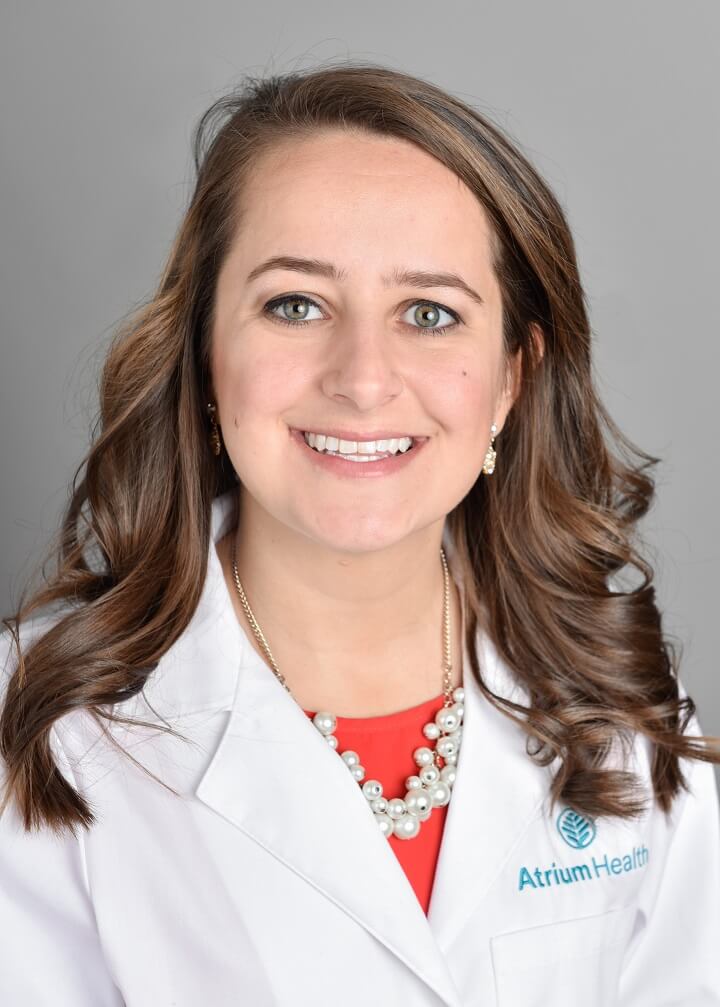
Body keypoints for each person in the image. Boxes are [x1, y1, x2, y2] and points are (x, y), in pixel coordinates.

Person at [1, 62, 718, 1007]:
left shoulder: (623, 706)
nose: (364, 378)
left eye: (430, 314)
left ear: (510, 378)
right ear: (206, 356)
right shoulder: (38, 726)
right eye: (295, 304)